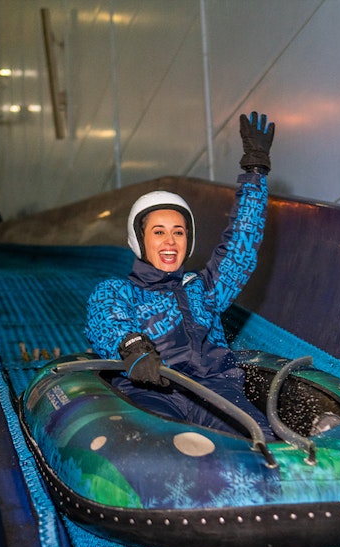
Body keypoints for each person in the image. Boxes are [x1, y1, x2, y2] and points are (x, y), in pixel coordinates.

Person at [85, 111, 276, 439]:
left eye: (179, 232)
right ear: (139, 240)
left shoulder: (205, 290)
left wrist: (255, 172)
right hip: (152, 392)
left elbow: (241, 247)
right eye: (158, 232)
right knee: (159, 445)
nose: (170, 242)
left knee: (259, 442)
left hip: (215, 391)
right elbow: (107, 321)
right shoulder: (117, 291)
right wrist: (131, 346)